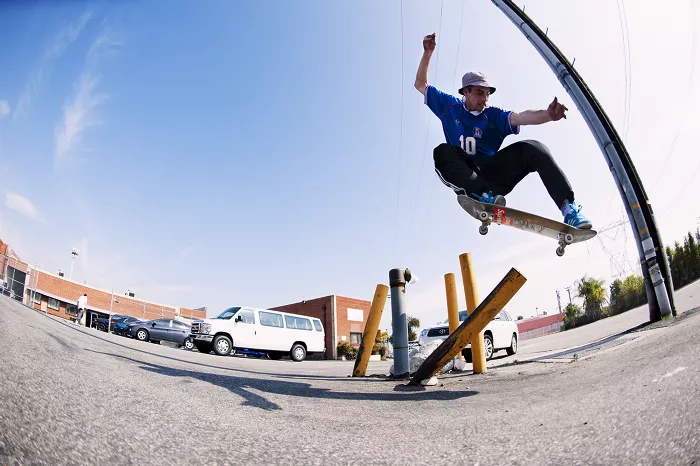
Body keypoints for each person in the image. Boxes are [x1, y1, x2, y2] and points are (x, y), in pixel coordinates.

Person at [414, 33, 592, 229]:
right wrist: (427, 53)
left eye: (487, 94)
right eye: (480, 93)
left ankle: (569, 209)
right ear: (466, 92)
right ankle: (481, 196)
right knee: (442, 151)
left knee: (534, 148)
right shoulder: (448, 105)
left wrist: (548, 115)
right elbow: (421, 85)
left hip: (494, 175)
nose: (485, 99)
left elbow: (521, 117)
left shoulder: (493, 115)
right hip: (467, 175)